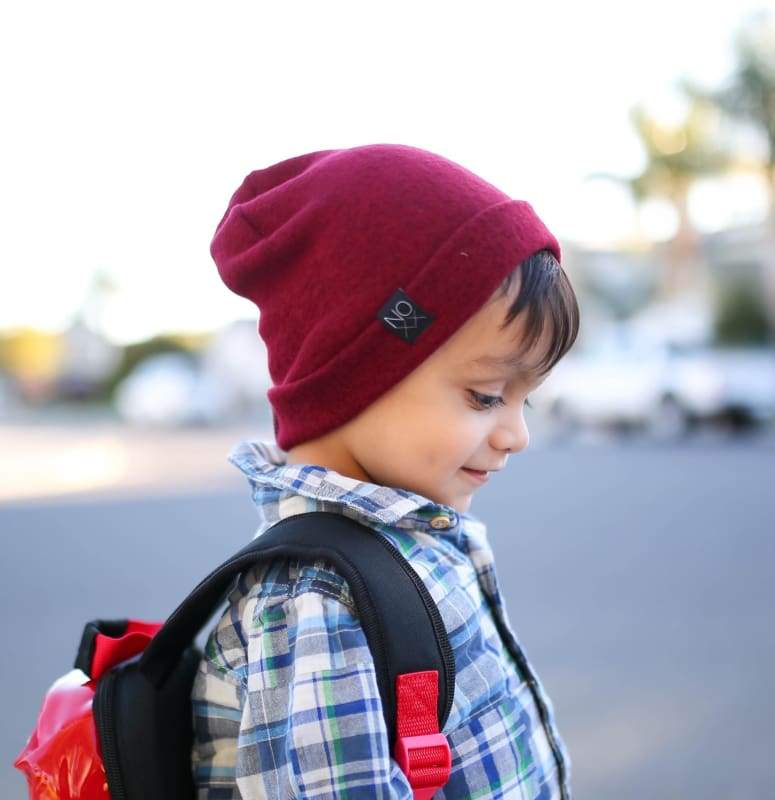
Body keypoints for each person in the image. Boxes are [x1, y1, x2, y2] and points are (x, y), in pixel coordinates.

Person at [191, 143, 580, 799]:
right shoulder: (315, 602)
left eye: (526, 398)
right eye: (485, 396)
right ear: (353, 374)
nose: (516, 434)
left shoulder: (406, 543)